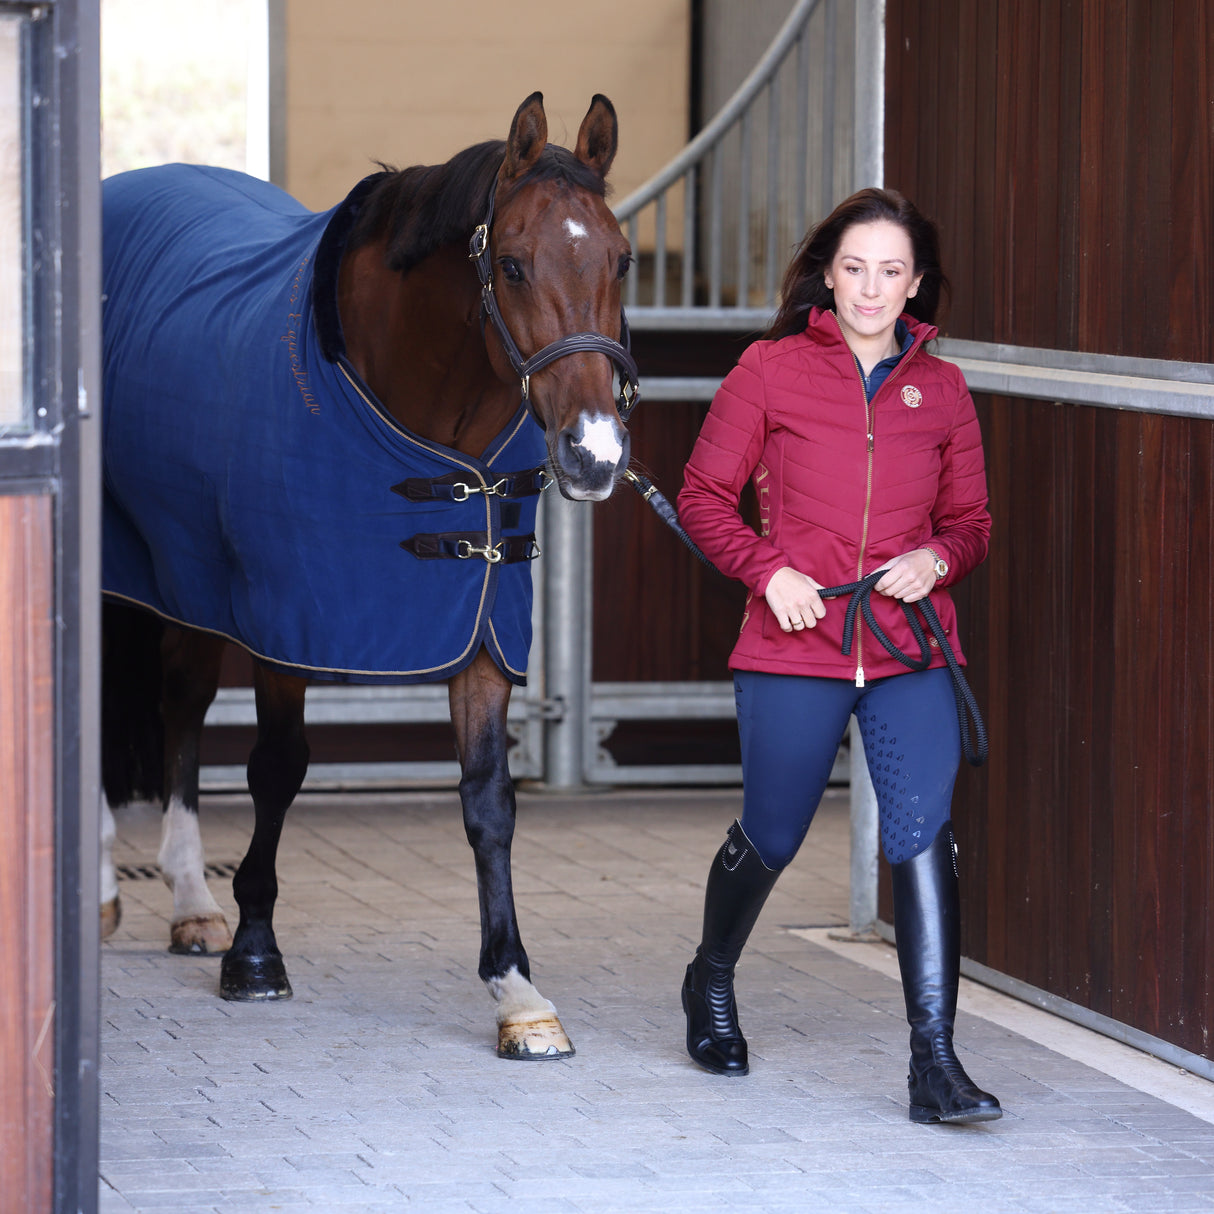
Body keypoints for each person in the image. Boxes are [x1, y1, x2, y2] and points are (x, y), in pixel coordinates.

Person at [676, 187, 1000, 1124]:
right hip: (794, 641)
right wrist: (766, 570)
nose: (870, 287)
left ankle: (934, 1063)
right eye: (855, 267)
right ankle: (711, 978)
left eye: (890, 271)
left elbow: (972, 522)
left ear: (916, 285)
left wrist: (936, 557)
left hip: (909, 647)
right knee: (773, 834)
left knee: (922, 835)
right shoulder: (770, 370)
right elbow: (704, 496)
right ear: (828, 272)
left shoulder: (939, 388)